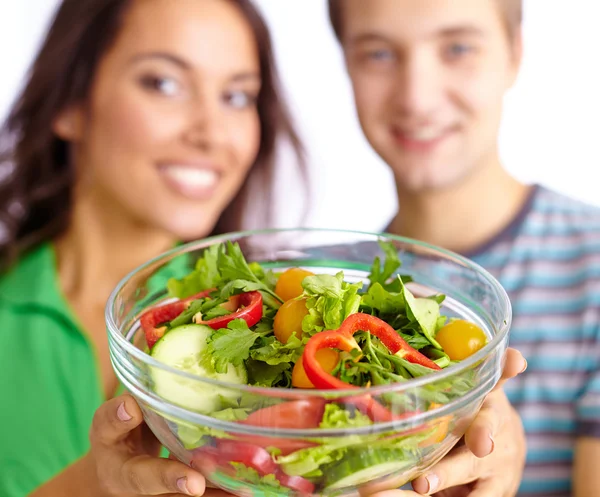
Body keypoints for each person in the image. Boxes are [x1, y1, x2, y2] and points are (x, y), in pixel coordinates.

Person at [0, 0, 304, 495]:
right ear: (69, 104)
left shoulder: (281, 336)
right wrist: (96, 484)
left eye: (236, 96)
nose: (210, 133)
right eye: (164, 84)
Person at [327, 0, 600, 496]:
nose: (417, 98)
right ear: (345, 63)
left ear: (515, 53)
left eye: (457, 48)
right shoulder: (321, 290)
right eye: (379, 54)